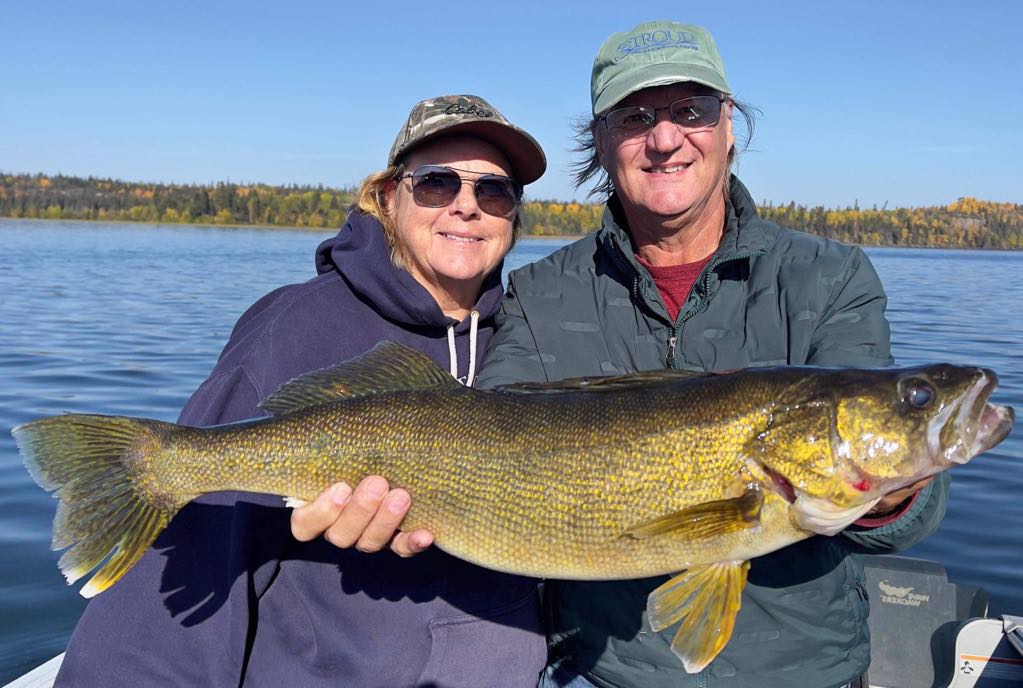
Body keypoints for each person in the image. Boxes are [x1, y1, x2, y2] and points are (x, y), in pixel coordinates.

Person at [472, 21, 950, 688]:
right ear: (602, 142)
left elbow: (898, 524)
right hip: (602, 673)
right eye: (635, 116)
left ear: (728, 126)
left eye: (689, 111)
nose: (665, 138)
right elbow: (484, 441)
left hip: (803, 672)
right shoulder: (540, 291)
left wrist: (894, 494)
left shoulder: (829, 277)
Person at [54, 94, 549, 688]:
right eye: (438, 184)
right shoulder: (293, 328)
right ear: (389, 197)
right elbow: (178, 583)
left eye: (494, 191)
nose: (467, 207)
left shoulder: (532, 336)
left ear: (513, 217)